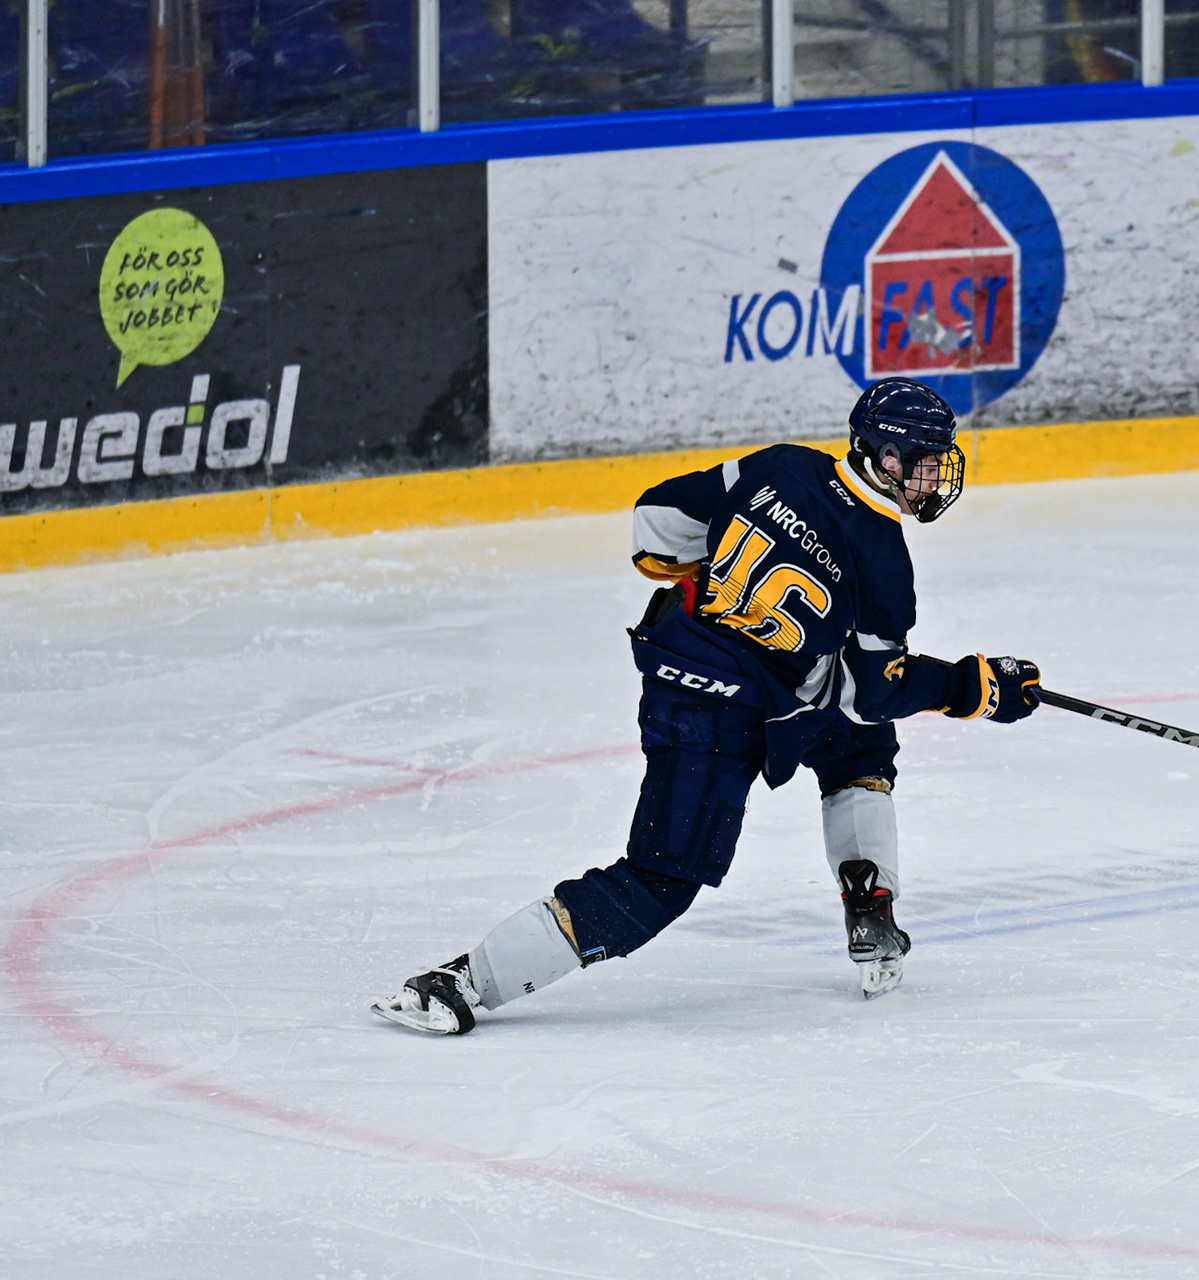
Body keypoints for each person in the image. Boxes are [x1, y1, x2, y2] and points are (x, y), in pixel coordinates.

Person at [373, 378, 1042, 1034]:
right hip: (720, 717)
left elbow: (656, 527)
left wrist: (733, 586)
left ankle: (870, 903)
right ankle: (462, 982)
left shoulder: (782, 465)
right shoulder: (885, 561)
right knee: (659, 882)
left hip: (690, 671)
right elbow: (879, 690)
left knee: (858, 743)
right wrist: (974, 686)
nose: (936, 476)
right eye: (926, 461)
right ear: (886, 457)